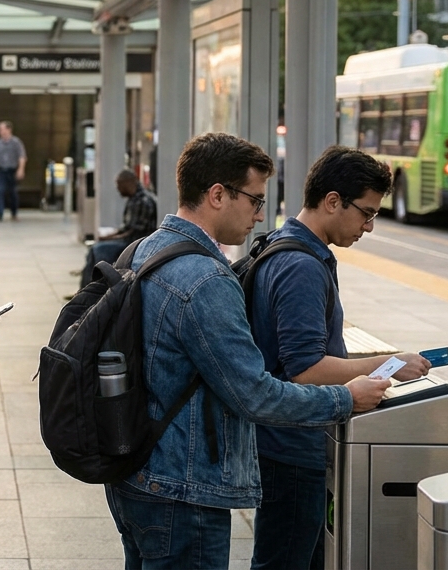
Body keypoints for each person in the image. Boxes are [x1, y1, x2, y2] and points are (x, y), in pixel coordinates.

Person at [105, 132, 391, 570]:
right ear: (218, 195)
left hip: (135, 472)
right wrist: (345, 398)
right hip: (184, 487)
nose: (260, 215)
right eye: (255, 201)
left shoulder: (144, 250)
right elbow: (254, 392)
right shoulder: (204, 279)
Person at [249, 147, 429, 570]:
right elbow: (307, 369)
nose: (368, 226)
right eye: (366, 213)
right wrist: (388, 362)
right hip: (292, 447)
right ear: (332, 201)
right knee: (286, 560)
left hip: (283, 441)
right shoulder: (301, 266)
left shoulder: (283, 244)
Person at [91, 170, 159, 264]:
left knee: (99, 249)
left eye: (119, 184)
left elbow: (133, 233)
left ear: (128, 183)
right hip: (131, 240)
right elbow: (127, 228)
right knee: (94, 248)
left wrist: (111, 238)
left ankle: (103, 276)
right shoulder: (134, 199)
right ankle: (91, 277)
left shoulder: (142, 201)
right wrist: (109, 236)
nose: (118, 188)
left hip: (136, 243)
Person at [0, 121, 26, 222]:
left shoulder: (16, 142)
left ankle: (14, 213)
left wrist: (21, 169)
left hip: (12, 170)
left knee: (13, 192)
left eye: (2, 129)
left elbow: (22, 157)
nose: (0, 131)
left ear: (9, 129)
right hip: (0, 170)